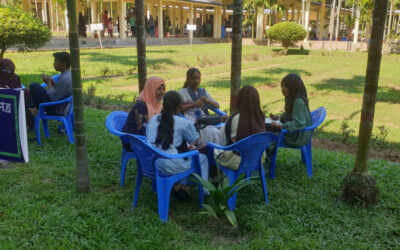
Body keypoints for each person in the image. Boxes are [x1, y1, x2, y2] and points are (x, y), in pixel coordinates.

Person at [146, 90, 209, 201]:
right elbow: (196, 140)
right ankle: (204, 190)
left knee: (185, 158)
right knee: (202, 158)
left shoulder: (153, 120)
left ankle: (177, 186)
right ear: (180, 106)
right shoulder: (183, 123)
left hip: (152, 162)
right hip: (170, 164)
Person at [215, 85, 265, 169]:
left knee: (212, 149)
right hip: (258, 157)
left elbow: (222, 142)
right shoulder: (261, 116)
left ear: (240, 100)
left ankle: (215, 177)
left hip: (239, 161)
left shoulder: (235, 118)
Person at [179, 68, 220, 148]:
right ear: (188, 79)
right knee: (213, 131)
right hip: (191, 122)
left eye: (198, 78)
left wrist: (207, 100)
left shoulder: (203, 92)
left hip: (204, 120)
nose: (196, 81)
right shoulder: (182, 92)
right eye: (193, 78)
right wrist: (193, 104)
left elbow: (217, 106)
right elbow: (179, 109)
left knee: (220, 128)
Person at [270, 74, 312, 147]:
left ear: (292, 88)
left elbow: (299, 124)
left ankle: (265, 157)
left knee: (265, 136)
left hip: (296, 137)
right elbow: (292, 113)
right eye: (282, 86)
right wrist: (280, 118)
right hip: (296, 133)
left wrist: (281, 126)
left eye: (286, 87)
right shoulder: (293, 97)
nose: (283, 89)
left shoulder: (298, 101)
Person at [29, 52, 72, 117]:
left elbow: (53, 98)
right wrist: (53, 83)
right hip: (63, 105)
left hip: (57, 109)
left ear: (64, 64)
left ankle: (33, 109)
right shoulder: (69, 74)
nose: (54, 64)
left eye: (56, 62)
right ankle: (35, 108)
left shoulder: (64, 78)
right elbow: (61, 91)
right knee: (37, 89)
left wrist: (49, 84)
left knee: (34, 86)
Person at [0, 59, 34, 128]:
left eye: (9, 71)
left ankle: (26, 122)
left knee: (26, 93)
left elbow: (18, 88)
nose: (6, 73)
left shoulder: (15, 78)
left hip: (14, 100)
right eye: (4, 70)